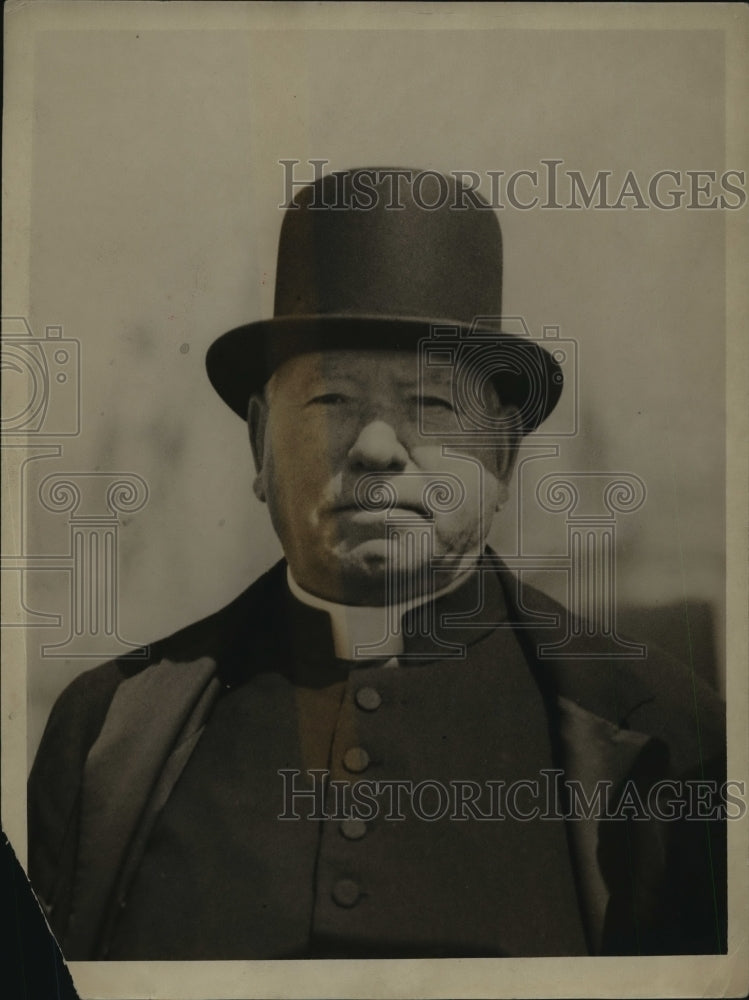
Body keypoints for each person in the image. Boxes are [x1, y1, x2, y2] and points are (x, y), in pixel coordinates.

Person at [27, 169, 726, 960]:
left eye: (429, 405)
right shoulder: (109, 732)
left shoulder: (657, 739)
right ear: (258, 443)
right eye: (330, 401)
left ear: (501, 453)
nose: (375, 448)